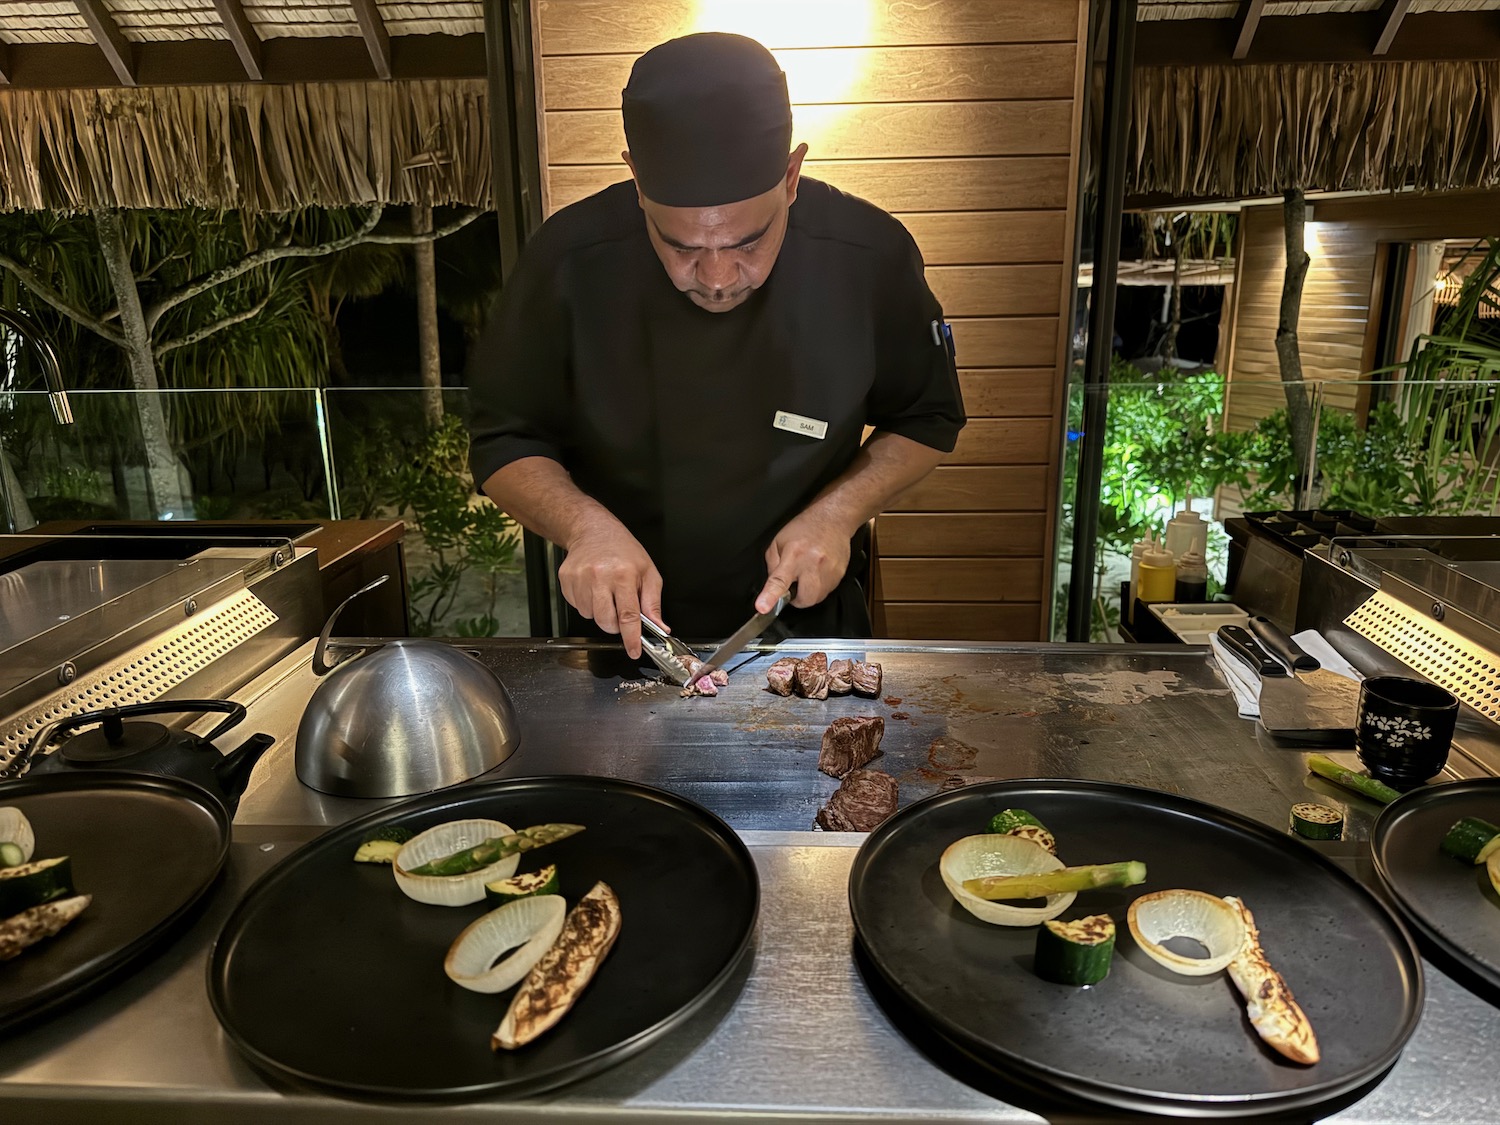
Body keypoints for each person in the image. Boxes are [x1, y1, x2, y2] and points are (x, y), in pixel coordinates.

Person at [467, 32, 965, 658]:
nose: (719, 277)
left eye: (748, 242)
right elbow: (504, 438)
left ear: (790, 177)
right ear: (636, 182)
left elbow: (926, 417)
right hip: (621, 628)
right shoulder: (568, 260)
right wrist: (584, 527)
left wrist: (838, 514)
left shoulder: (870, 256)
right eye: (681, 247)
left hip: (807, 625)